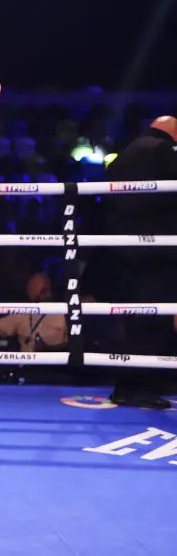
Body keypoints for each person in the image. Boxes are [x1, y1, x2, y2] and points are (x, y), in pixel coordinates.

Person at [90, 115, 177, 409]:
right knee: (151, 319)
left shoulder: (124, 154)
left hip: (123, 250)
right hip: (156, 250)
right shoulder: (162, 150)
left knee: (137, 318)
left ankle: (135, 384)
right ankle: (132, 387)